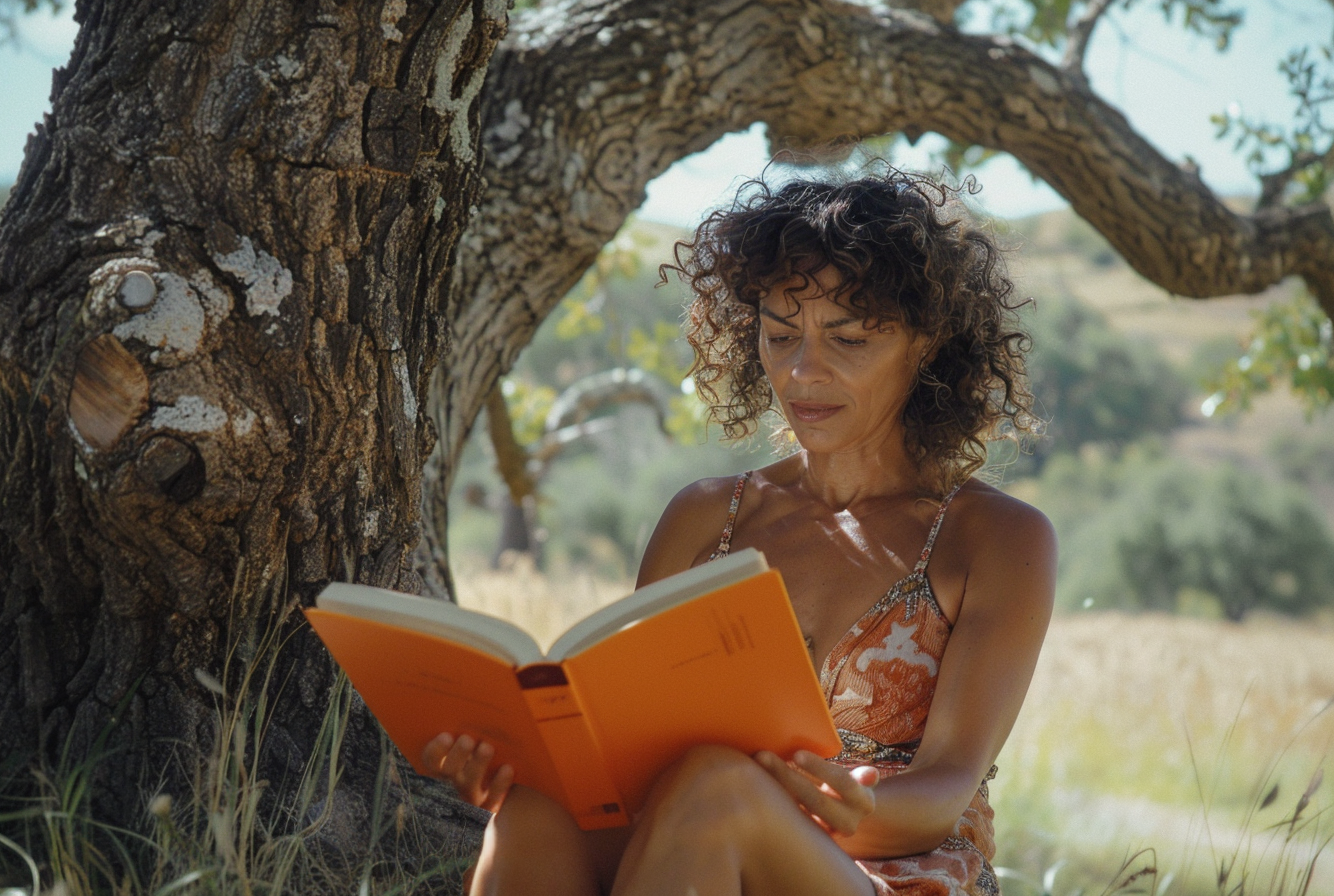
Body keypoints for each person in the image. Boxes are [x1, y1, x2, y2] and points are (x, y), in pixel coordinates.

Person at [424, 167, 1056, 896]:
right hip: (689, 850)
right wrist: (516, 767)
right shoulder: (703, 519)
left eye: (848, 339)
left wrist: (852, 807)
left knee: (717, 787)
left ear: (928, 342)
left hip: (893, 868)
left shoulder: (995, 538)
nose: (803, 370)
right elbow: (625, 755)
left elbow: (946, 787)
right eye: (780, 335)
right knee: (533, 810)